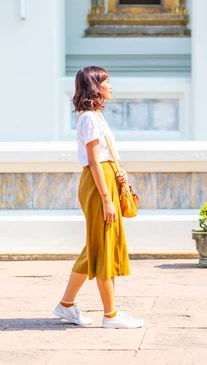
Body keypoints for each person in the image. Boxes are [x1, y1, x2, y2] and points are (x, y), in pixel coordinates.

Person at [53, 66, 144, 329]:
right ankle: (111, 316)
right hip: (97, 184)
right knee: (104, 245)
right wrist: (106, 198)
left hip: (104, 178)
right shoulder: (89, 119)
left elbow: (102, 157)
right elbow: (93, 161)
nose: (111, 86)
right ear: (95, 87)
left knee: (96, 245)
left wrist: (118, 171)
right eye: (107, 82)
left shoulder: (93, 117)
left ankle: (66, 305)